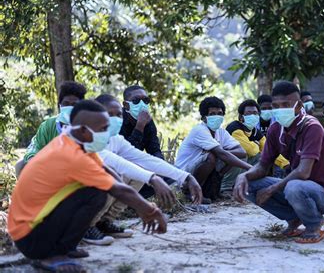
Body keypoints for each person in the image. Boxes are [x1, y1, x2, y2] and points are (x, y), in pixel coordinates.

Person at [8, 100, 167, 272]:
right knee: (97, 191)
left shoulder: (72, 141)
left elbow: (108, 173)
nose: (107, 133)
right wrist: (150, 210)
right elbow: (116, 188)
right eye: (102, 129)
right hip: (29, 237)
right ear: (83, 130)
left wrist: (138, 202)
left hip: (33, 228)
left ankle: (65, 248)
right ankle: (49, 256)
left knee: (95, 191)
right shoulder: (72, 155)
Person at [82, 94, 203, 244]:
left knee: (135, 171)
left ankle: (104, 222)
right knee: (112, 175)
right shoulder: (86, 137)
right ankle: (87, 226)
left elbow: (145, 159)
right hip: (73, 197)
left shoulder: (115, 139)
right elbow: (118, 163)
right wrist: (153, 179)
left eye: (118, 114)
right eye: (109, 114)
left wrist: (185, 177)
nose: (115, 119)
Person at [233, 81, 324, 244]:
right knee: (249, 184)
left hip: (323, 194)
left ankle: (314, 223)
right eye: (276, 105)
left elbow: (303, 172)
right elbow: (262, 165)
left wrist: (271, 189)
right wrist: (244, 176)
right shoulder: (276, 129)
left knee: (293, 186)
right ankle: (294, 219)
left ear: (298, 106)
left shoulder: (312, 127)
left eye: (286, 105)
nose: (280, 109)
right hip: (296, 188)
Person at [175, 96, 252, 201]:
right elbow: (222, 154)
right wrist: (251, 169)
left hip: (204, 171)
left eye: (219, 114)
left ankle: (216, 188)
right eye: (212, 114)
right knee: (212, 157)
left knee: (231, 157)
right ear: (204, 118)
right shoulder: (200, 130)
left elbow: (242, 152)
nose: (216, 117)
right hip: (185, 173)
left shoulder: (221, 132)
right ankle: (190, 192)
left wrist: (221, 155)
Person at [16, 81, 87, 176]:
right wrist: (33, 162)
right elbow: (35, 147)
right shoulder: (49, 125)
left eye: (74, 104)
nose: (70, 107)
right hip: (48, 169)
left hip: (78, 171)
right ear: (60, 105)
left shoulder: (87, 126)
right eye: (66, 103)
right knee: (20, 165)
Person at [224, 99, 289, 191]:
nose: (253, 116)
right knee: (243, 155)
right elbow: (249, 150)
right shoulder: (235, 128)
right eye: (249, 113)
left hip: (241, 166)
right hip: (224, 164)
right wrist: (257, 146)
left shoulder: (255, 132)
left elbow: (269, 149)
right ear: (241, 117)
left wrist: (286, 164)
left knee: (264, 158)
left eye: (255, 113)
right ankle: (225, 188)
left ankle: (248, 186)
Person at [120, 85, 165, 198]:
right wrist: (139, 126)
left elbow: (154, 150)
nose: (142, 104)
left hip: (138, 170)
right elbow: (125, 154)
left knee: (171, 174)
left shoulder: (148, 121)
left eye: (146, 100)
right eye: (136, 101)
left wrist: (159, 167)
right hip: (120, 171)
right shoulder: (117, 120)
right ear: (126, 105)